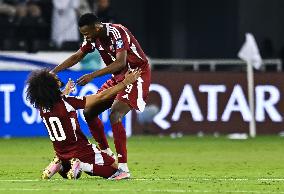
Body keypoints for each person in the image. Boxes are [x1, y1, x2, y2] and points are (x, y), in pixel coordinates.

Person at [51, 13, 151, 179]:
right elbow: (77, 56)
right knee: (88, 112)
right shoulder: (92, 38)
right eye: (83, 34)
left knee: (115, 114)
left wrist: (92, 75)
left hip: (136, 74)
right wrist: (53, 71)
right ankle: (106, 153)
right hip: (119, 77)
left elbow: (120, 62)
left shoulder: (118, 32)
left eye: (87, 33)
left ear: (97, 27)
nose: (86, 37)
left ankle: (123, 169)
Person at [25, 69, 141, 180]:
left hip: (61, 153)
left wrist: (65, 91)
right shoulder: (68, 102)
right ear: (51, 86)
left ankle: (59, 164)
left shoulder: (43, 107)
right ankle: (81, 165)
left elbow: (57, 102)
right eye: (55, 78)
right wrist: (125, 82)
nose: (57, 78)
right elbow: (101, 97)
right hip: (81, 149)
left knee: (70, 173)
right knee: (116, 170)